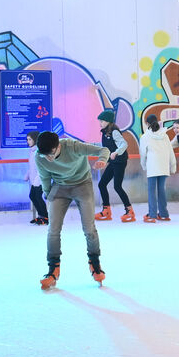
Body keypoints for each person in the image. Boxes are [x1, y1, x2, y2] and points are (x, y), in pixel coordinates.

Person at [35, 130, 110, 289]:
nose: (48, 158)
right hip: (60, 187)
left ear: (58, 146)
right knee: (53, 229)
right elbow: (45, 177)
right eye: (44, 155)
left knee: (89, 228)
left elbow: (103, 150)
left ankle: (95, 263)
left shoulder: (72, 146)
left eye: (51, 154)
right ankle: (53, 269)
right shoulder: (40, 156)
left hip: (82, 185)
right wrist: (48, 195)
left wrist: (102, 160)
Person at [95, 109, 135, 223]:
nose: (100, 123)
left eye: (102, 121)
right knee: (102, 184)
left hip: (120, 161)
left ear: (108, 121)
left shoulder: (114, 131)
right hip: (113, 162)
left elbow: (124, 144)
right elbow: (105, 146)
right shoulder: (105, 132)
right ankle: (106, 210)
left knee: (117, 186)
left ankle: (129, 211)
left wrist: (116, 152)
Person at [139, 114, 176, 222]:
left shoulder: (145, 137)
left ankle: (152, 215)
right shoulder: (165, 136)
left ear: (147, 124)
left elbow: (143, 153)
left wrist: (144, 166)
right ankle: (164, 214)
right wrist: (173, 166)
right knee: (161, 190)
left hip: (152, 166)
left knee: (151, 191)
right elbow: (170, 152)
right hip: (164, 166)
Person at [25, 131, 49, 225]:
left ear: (35, 139)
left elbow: (42, 168)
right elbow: (32, 166)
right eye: (27, 139)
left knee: (37, 197)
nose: (28, 141)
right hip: (34, 180)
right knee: (33, 196)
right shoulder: (32, 151)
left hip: (40, 180)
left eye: (30, 139)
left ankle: (45, 217)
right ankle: (41, 216)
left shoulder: (39, 152)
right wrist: (27, 175)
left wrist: (37, 181)